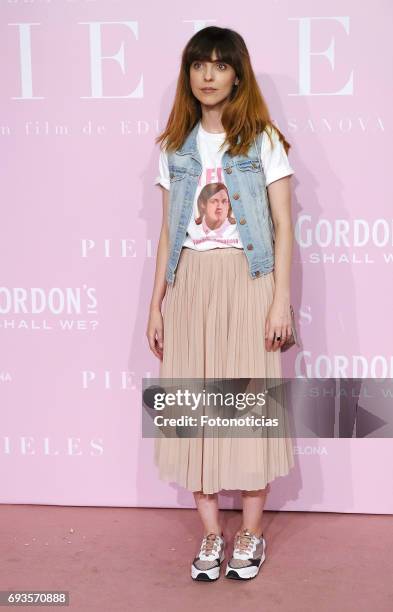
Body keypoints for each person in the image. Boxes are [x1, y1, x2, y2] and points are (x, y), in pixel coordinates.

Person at [146, 26, 295, 582]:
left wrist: (280, 301)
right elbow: (167, 234)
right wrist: (156, 303)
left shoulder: (262, 141)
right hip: (190, 287)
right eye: (198, 65)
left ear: (237, 73)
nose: (208, 75)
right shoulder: (174, 147)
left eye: (219, 64)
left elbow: (283, 226)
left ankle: (250, 534)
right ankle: (211, 534)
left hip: (247, 281)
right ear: (189, 75)